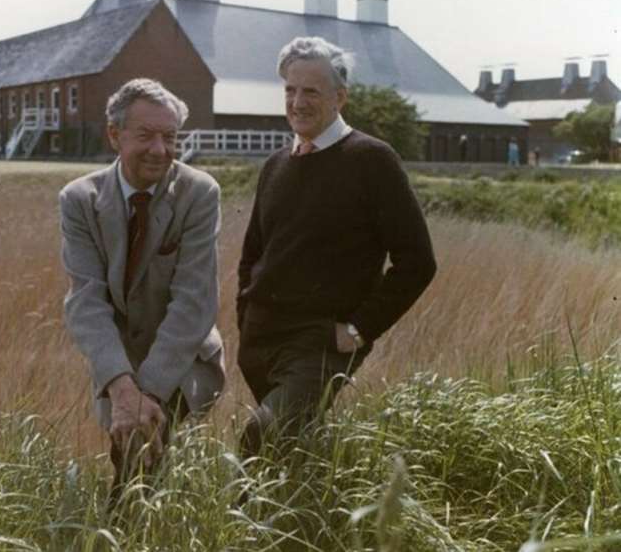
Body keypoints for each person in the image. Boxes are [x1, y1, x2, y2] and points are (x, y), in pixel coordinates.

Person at [236, 36, 437, 455]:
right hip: (260, 340)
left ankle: (237, 521)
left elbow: (417, 261)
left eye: (311, 91)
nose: (297, 101)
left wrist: (361, 328)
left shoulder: (372, 160)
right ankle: (312, 516)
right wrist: (245, 313)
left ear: (340, 97)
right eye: (290, 90)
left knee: (261, 437)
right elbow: (253, 253)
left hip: (321, 343)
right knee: (291, 453)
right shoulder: (275, 165)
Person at [59, 78, 225, 494]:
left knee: (139, 448)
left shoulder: (199, 192)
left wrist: (144, 393)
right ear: (114, 135)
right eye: (146, 135)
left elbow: (193, 303)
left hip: (183, 357)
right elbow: (86, 300)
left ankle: (131, 528)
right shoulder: (79, 199)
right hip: (118, 364)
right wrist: (122, 387)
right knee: (136, 455)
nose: (160, 149)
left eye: (170, 137)